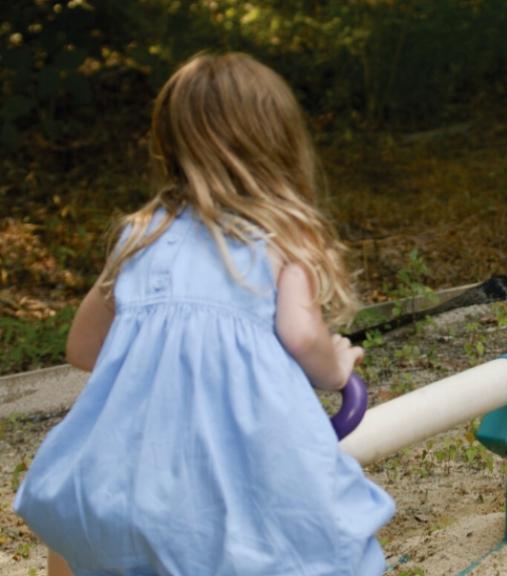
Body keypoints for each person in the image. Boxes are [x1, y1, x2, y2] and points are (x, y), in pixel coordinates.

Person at [14, 52, 395, 575]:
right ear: (280, 143)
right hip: (233, 489)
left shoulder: (140, 236)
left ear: (169, 145)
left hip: (129, 482)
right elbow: (301, 335)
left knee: (84, 540)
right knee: (318, 549)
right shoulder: (284, 236)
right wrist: (337, 364)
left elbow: (81, 349)